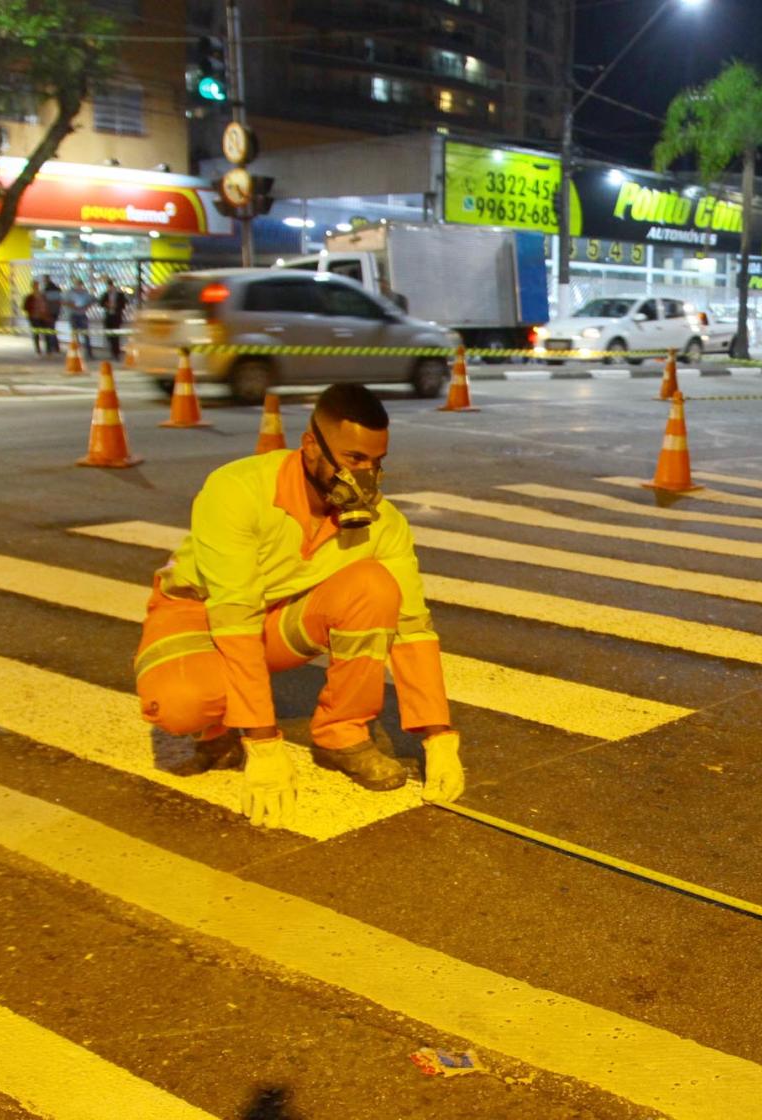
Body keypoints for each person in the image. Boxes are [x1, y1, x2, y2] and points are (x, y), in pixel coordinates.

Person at [132, 383, 464, 828]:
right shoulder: (238, 490)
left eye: (376, 462)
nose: (367, 477)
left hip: (276, 615)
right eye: (354, 459)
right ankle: (217, 726)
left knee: (376, 587)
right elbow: (234, 616)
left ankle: (341, 735)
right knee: (181, 703)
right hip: (199, 613)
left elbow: (412, 626)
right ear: (310, 446)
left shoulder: (383, 523)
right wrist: (264, 743)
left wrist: (438, 735)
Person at [100, 279, 129, 360]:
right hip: (108, 316)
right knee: (109, 335)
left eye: (111, 286)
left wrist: (116, 306)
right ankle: (113, 350)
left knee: (115, 335)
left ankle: (116, 353)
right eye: (109, 286)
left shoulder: (120, 295)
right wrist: (107, 304)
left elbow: (124, 304)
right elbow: (101, 303)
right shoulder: (105, 294)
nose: (110, 288)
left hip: (116, 317)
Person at [67, 278, 95, 360]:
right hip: (73, 314)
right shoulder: (70, 293)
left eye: (79, 284)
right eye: (77, 284)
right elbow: (65, 302)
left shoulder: (85, 293)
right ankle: (76, 353)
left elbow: (91, 301)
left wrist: (85, 307)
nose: (78, 286)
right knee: (75, 335)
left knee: (85, 334)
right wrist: (73, 306)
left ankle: (89, 353)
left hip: (82, 314)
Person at [23, 279, 49, 356]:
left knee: (46, 333)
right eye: (35, 286)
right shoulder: (29, 297)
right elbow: (25, 307)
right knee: (36, 334)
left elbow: (46, 306)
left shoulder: (43, 296)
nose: (36, 287)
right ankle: (38, 349)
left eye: (37, 285)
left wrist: (46, 315)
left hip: (43, 317)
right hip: (34, 317)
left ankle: (48, 349)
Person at [40, 276, 63, 358]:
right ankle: (55, 347)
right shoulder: (57, 289)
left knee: (49, 330)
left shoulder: (45, 290)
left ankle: (51, 348)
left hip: (49, 312)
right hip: (55, 311)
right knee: (52, 329)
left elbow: (43, 301)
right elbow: (60, 301)